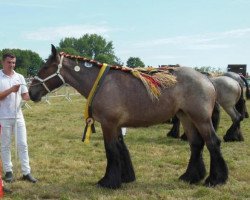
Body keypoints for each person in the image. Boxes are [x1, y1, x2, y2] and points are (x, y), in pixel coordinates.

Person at [0, 53, 37, 183]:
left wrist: (34, 93)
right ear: (3, 62)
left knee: (23, 144)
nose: (12, 65)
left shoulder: (20, 77)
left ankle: (26, 172)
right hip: (3, 117)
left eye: (14, 62)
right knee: (5, 145)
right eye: (9, 62)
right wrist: (11, 90)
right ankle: (8, 171)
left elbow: (25, 96)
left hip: (18, 116)